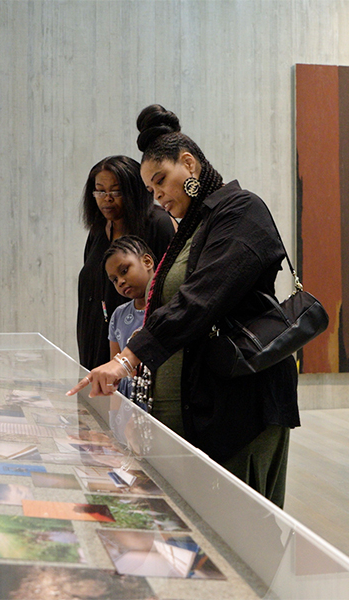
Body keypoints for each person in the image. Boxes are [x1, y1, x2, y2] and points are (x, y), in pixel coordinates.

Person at [69, 105, 300, 508]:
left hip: (241, 409)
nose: (157, 195)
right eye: (150, 188)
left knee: (242, 530)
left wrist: (127, 359)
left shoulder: (242, 211)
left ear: (188, 164)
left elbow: (202, 298)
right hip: (200, 413)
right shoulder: (192, 227)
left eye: (160, 181)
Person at [76, 155, 175, 370]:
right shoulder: (98, 231)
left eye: (116, 191)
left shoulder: (158, 224)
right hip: (94, 336)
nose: (107, 198)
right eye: (100, 191)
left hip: (135, 342)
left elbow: (171, 289)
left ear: (134, 191)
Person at [104, 235, 156, 398]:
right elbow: (114, 369)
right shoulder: (119, 315)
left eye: (124, 270)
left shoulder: (167, 308)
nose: (120, 282)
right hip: (128, 398)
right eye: (114, 279)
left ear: (147, 262)